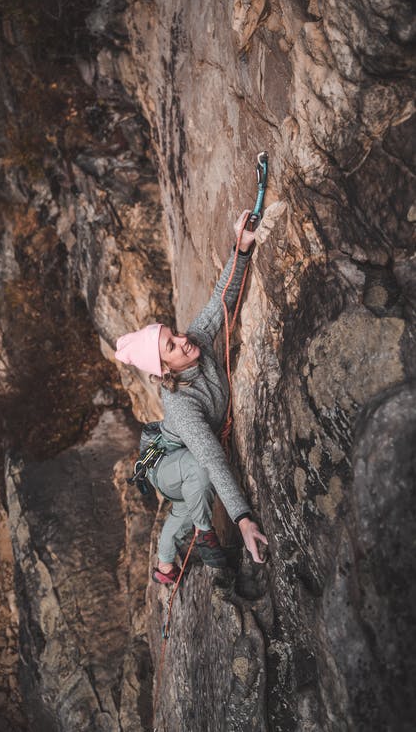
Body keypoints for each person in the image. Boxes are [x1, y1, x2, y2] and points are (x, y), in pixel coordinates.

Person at [115, 210, 268, 585]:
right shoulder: (181, 406)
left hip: (176, 459)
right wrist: (243, 519)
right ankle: (204, 534)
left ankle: (165, 567)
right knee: (199, 475)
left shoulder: (195, 341)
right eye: (172, 345)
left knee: (183, 508)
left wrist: (241, 248)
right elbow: (213, 459)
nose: (184, 340)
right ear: (164, 370)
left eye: (176, 333)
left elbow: (221, 299)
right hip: (164, 464)